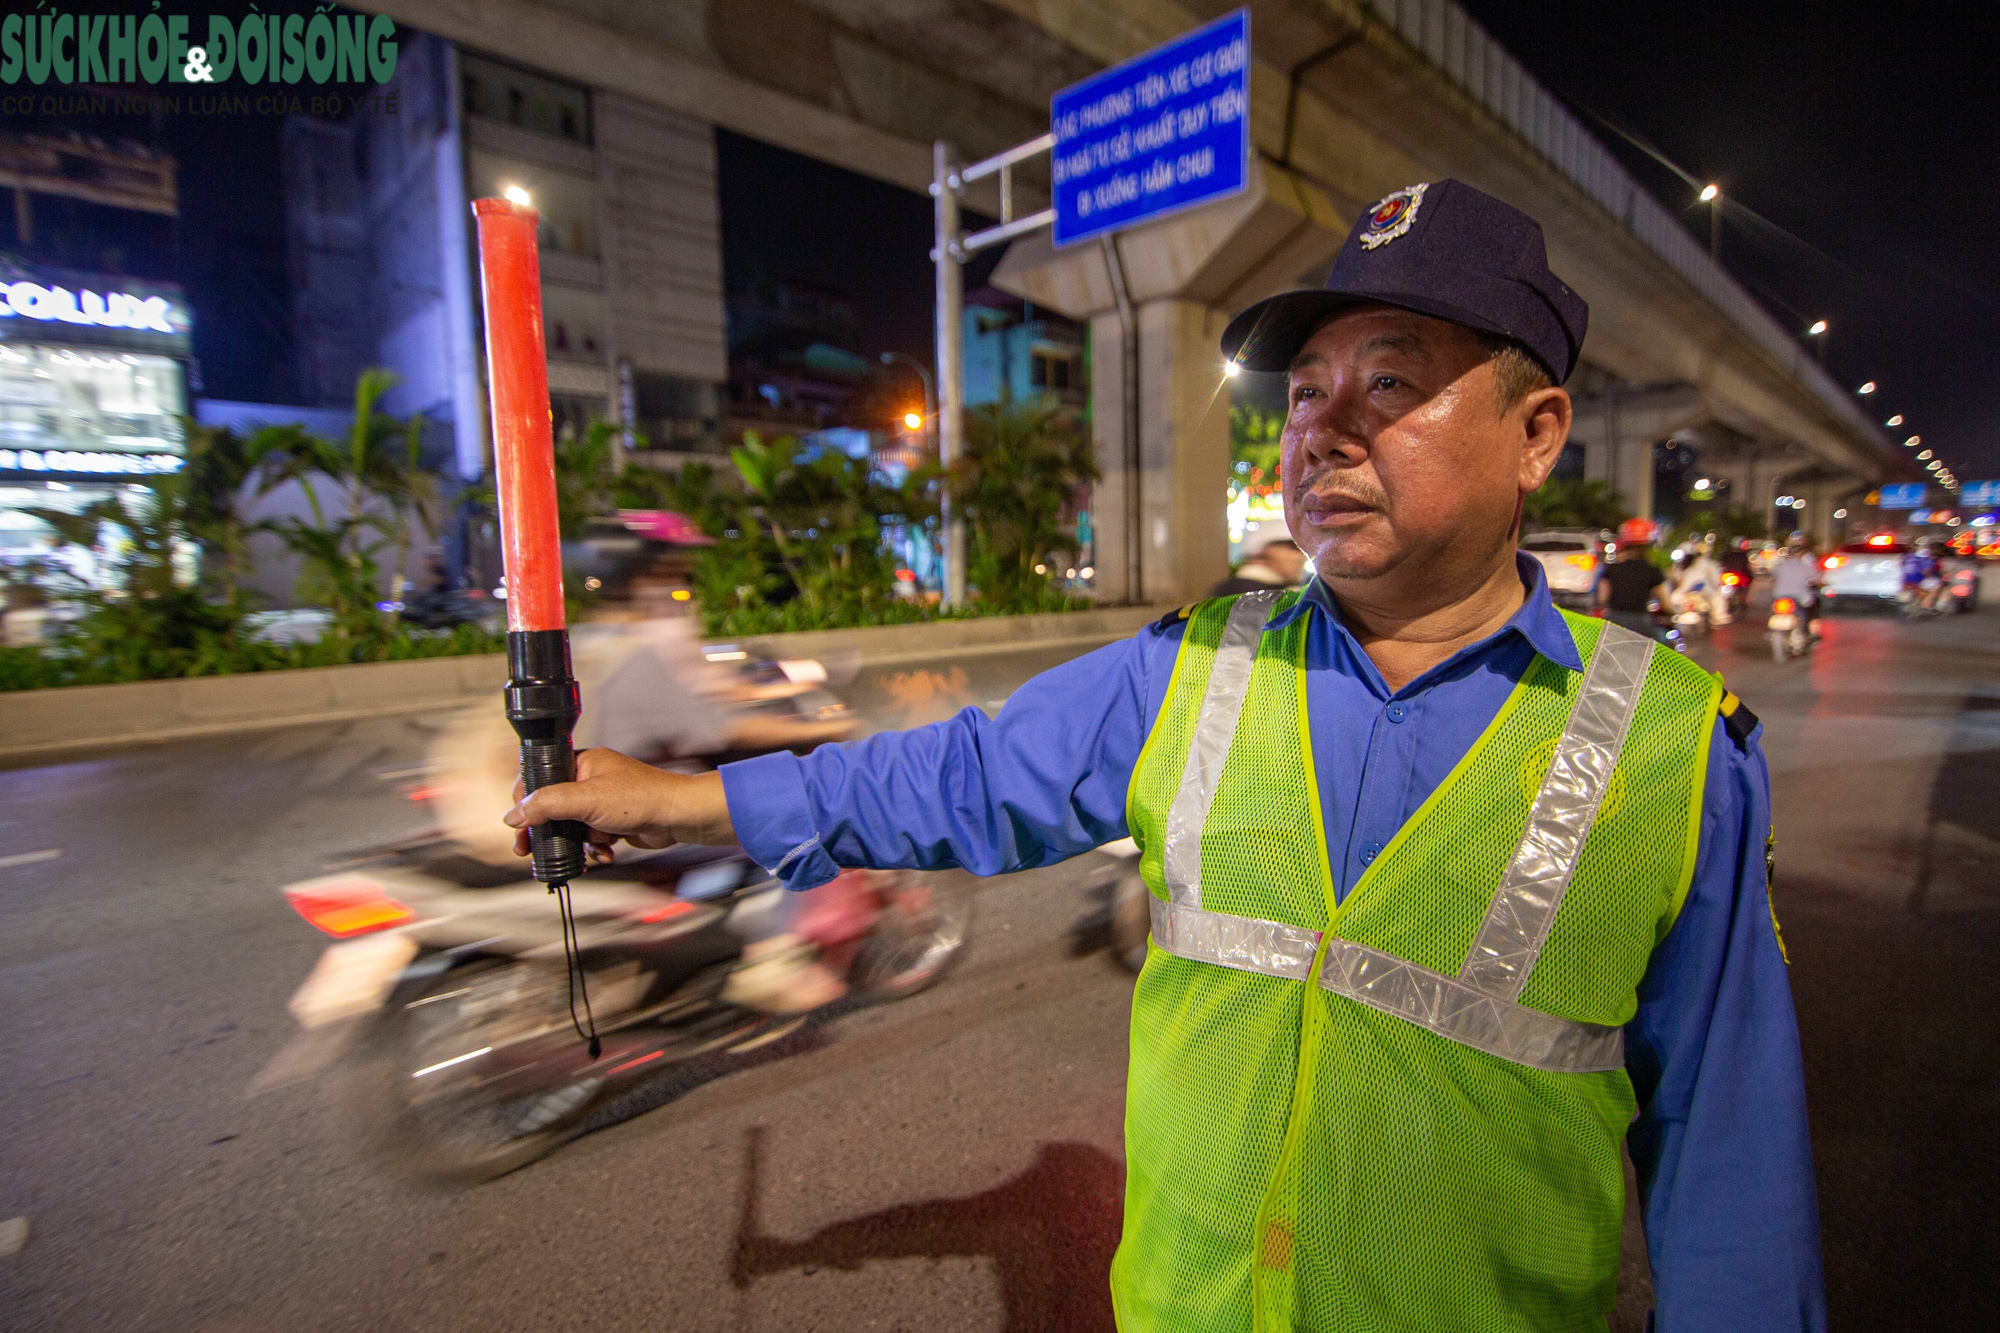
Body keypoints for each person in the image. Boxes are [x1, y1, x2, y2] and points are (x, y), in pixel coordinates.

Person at [506, 180, 1823, 1331]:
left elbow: (1733, 1168)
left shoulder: (1671, 748)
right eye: (1306, 392)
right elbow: (954, 779)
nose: (1323, 428)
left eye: (1391, 382)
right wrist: (690, 800)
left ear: (1538, 432)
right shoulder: (1193, 666)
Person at [1594, 517, 1669, 639]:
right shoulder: (1652, 570)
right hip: (1641, 622)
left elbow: (1602, 599)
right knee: (1662, 643)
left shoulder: (1611, 568)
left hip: (1614, 620)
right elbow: (1664, 602)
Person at [1209, 531, 1307, 597]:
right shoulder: (1258, 593)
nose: (1300, 556)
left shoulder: (1230, 587)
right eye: (1292, 548)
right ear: (1263, 551)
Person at [1769, 532, 1823, 636]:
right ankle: (1811, 632)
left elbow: (1773, 580)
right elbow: (1818, 579)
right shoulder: (1805, 567)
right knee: (1813, 607)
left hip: (1779, 596)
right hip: (1800, 598)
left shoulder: (1780, 566)